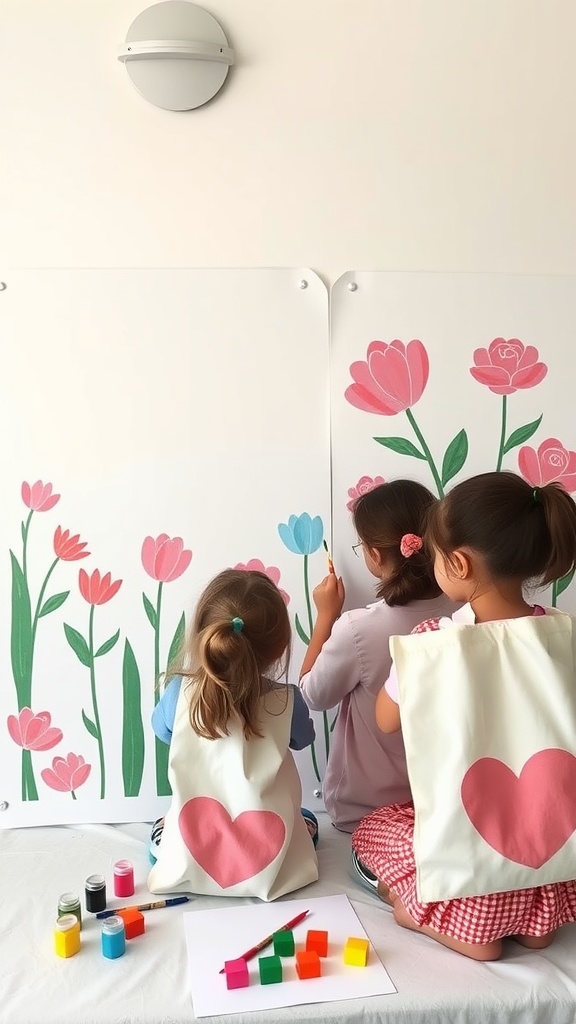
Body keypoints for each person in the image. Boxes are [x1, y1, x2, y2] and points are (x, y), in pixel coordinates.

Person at [353, 471, 576, 960]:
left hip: (469, 862)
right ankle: (534, 926)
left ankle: (449, 927)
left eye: (434, 555)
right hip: (549, 863)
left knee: (375, 829)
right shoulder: (564, 635)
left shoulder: (433, 641)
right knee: (529, 830)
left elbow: (386, 719)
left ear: (457, 563)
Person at [148, 568, 319, 901]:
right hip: (269, 855)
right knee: (306, 821)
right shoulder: (288, 701)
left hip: (191, 849)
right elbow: (304, 738)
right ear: (280, 646)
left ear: (202, 633)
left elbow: (163, 732)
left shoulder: (178, 693)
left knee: (166, 828)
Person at [300, 480, 458, 838]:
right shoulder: (464, 614)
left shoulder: (358, 629)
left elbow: (313, 695)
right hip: (442, 804)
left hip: (366, 812)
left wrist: (326, 616)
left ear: (374, 555)